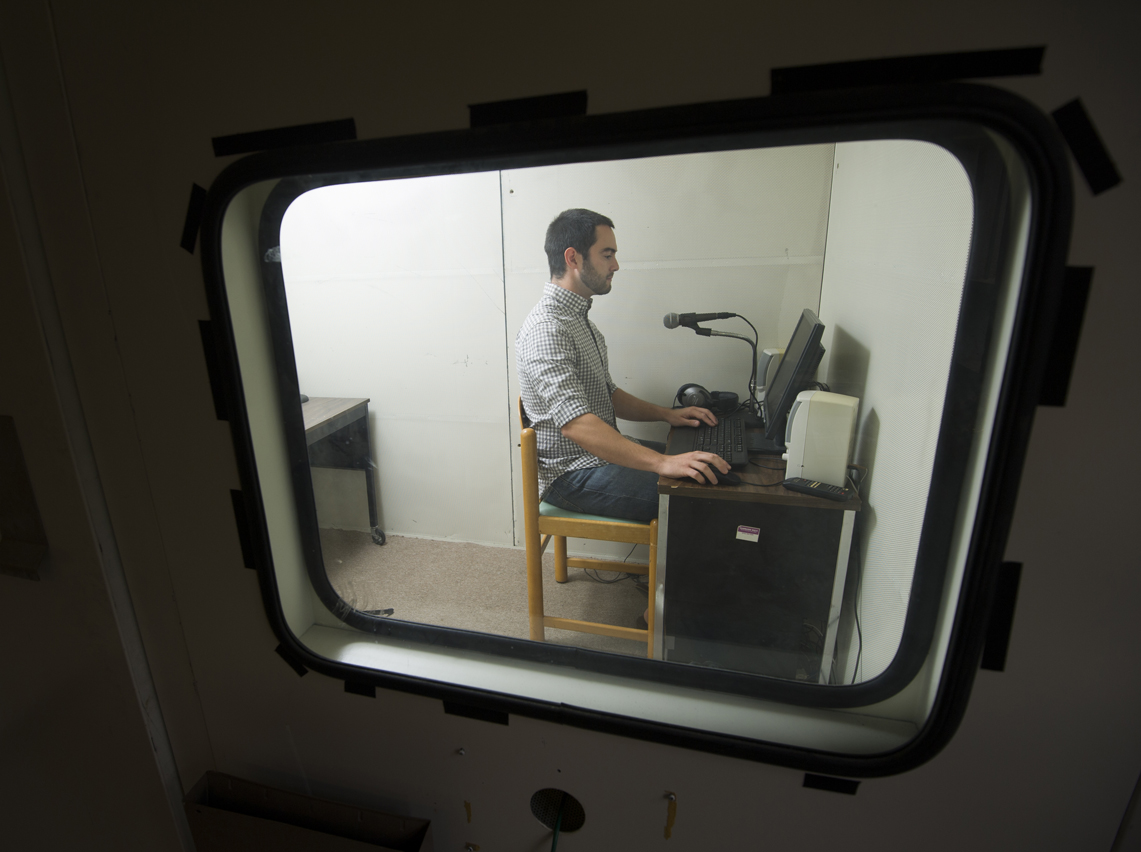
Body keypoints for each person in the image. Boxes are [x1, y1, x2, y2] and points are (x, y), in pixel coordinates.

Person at [516, 208, 731, 526]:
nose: (615, 265)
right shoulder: (547, 329)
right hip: (571, 474)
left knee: (715, 467)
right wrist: (662, 463)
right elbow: (575, 424)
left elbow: (609, 393)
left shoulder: (578, 320)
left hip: (597, 458)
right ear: (573, 258)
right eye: (607, 254)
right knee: (703, 495)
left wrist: (667, 415)